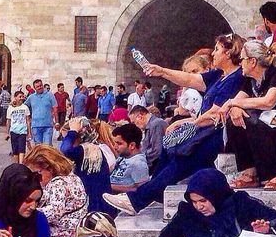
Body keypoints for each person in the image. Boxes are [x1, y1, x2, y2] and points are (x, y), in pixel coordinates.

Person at [105, 34, 247, 215]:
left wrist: (191, 124)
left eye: (217, 49)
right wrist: (161, 71)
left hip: (219, 134)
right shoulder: (220, 75)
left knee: (182, 156)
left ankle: (138, 199)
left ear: (228, 53)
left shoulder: (236, 78)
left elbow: (216, 113)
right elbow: (189, 79)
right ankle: (151, 194)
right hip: (206, 130)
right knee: (169, 146)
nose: (213, 54)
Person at [219, 38, 276, 191]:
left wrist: (234, 104)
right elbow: (236, 102)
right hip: (266, 134)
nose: (240, 63)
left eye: (242, 59)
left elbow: (268, 102)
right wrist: (235, 108)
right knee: (235, 122)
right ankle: (249, 174)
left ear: (252, 62)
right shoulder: (249, 81)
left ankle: (275, 175)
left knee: (255, 124)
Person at [22, 145, 89, 237]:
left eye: (37, 175)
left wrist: (28, 211)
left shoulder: (58, 184)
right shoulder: (72, 177)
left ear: (50, 168)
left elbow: (54, 212)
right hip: (74, 233)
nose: (35, 179)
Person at [59, 117, 117, 215]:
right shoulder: (94, 149)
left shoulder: (85, 150)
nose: (65, 140)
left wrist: (72, 132)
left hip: (93, 205)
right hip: (100, 203)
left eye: (66, 138)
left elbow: (65, 150)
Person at [108, 123, 150, 193]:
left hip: (120, 200)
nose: (115, 147)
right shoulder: (123, 157)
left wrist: (109, 186)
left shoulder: (138, 163)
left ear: (132, 145)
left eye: (119, 143)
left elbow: (142, 190)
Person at [128, 104, 166, 173]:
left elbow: (157, 151)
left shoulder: (156, 124)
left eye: (134, 122)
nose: (135, 125)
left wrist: (140, 160)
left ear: (140, 117)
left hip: (156, 166)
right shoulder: (151, 125)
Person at [25, 79, 57, 146]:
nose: (40, 87)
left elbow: (55, 108)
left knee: (47, 147)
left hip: (48, 126)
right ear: (34, 88)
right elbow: (24, 107)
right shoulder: (31, 97)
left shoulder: (50, 95)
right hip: (35, 126)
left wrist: (57, 122)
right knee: (38, 147)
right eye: (37, 86)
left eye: (41, 85)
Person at [6, 90, 31, 162]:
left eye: (22, 97)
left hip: (22, 131)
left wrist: (29, 132)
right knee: (15, 149)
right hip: (13, 131)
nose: (21, 98)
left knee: (22, 148)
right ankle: (16, 164)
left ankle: (20, 164)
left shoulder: (25, 107)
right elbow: (8, 120)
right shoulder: (10, 108)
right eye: (20, 97)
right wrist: (7, 132)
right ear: (15, 98)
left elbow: (28, 120)